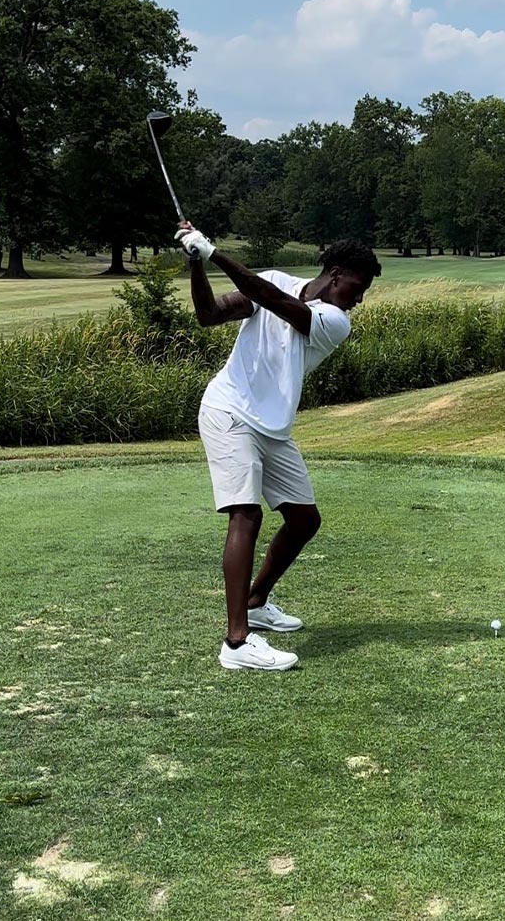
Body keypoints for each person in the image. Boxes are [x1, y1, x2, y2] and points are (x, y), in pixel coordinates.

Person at [175, 222, 379, 672]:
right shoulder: (274, 282)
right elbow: (208, 314)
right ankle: (236, 643)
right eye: (358, 287)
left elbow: (276, 302)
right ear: (336, 272)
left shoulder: (334, 321)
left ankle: (254, 601)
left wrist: (213, 252)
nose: (360, 298)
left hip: (272, 425)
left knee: (304, 520)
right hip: (229, 410)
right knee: (246, 513)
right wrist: (196, 263)